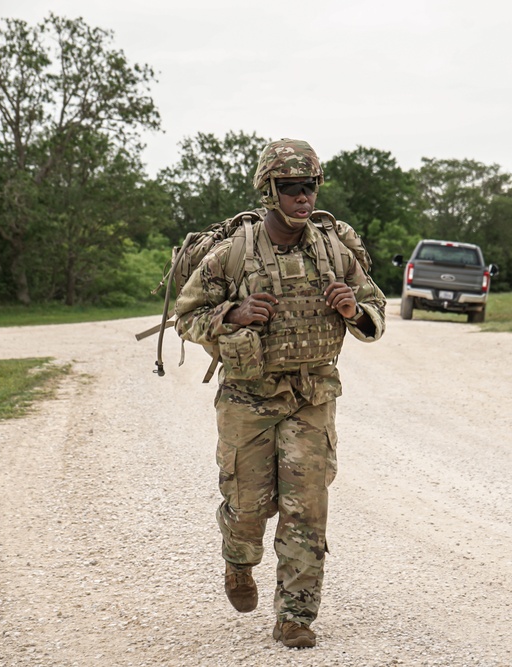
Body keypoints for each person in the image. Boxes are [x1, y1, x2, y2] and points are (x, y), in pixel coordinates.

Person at [174, 138, 386, 648]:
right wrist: (234, 314)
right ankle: (238, 560)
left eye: (309, 186)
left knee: (306, 509)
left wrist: (353, 310)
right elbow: (185, 318)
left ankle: (295, 616)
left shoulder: (334, 251)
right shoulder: (234, 254)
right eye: (291, 188)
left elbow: (375, 311)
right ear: (269, 190)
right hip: (248, 399)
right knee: (249, 507)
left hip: (311, 397)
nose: (303, 198)